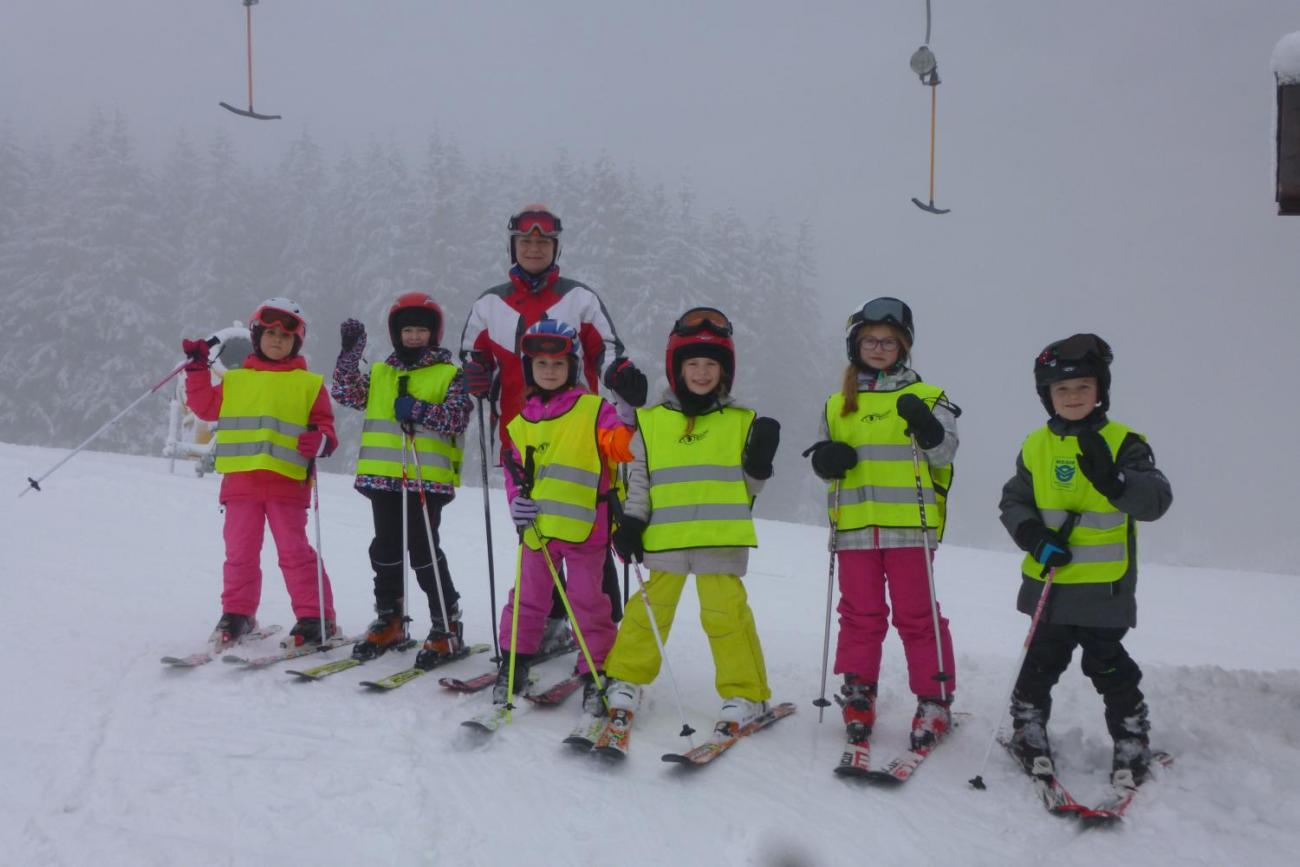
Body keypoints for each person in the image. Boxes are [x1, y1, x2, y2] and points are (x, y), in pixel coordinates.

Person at [460, 204, 647, 638]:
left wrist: (620, 377)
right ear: (513, 246)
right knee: (535, 532)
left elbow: (608, 350)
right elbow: (471, 354)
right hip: (519, 432)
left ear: (554, 246)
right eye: (526, 241)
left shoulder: (579, 298)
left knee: (587, 530)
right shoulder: (491, 302)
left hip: (581, 435)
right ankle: (549, 618)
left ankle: (600, 628)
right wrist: (474, 374)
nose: (533, 248)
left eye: (542, 242)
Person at [999, 333, 1172, 787]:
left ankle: (1131, 736)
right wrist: (1033, 535)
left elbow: (1155, 501)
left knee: (1107, 663)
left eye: (1082, 387)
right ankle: (1027, 726)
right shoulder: (1036, 445)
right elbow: (1014, 501)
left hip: (1103, 588)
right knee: (1040, 661)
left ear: (1101, 391)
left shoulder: (1125, 442)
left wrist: (1116, 481)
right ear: (1047, 396)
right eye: (1061, 390)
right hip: (1050, 584)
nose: (1072, 397)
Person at [603, 307, 782, 730]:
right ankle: (627, 679)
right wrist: (631, 523)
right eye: (692, 364)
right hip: (665, 539)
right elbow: (641, 479)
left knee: (726, 618)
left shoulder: (741, 421)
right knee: (647, 613)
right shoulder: (651, 421)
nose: (701, 373)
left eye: (711, 364)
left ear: (725, 371)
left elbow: (749, 489)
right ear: (677, 369)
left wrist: (758, 465)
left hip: (720, 540)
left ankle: (746, 693)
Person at [804, 297, 960, 752]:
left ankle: (935, 698)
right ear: (855, 345)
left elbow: (946, 453)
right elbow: (825, 458)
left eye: (888, 342)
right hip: (854, 530)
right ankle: (858, 691)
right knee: (860, 616)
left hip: (909, 528)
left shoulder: (929, 397)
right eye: (870, 340)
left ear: (903, 347)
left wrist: (928, 428)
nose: (878, 348)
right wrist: (826, 461)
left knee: (918, 616)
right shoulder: (838, 404)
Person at [493, 318, 635, 719]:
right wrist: (515, 501)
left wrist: (626, 412)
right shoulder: (522, 421)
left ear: (572, 367)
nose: (550, 370)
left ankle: (596, 669)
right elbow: (513, 469)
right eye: (541, 364)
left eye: (558, 363)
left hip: (586, 528)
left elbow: (623, 448)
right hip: (538, 530)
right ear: (529, 369)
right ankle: (515, 661)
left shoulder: (594, 410)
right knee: (527, 599)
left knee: (589, 601)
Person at [181, 298, 339, 649]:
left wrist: (321, 441)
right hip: (241, 486)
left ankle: (317, 617)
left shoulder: (308, 384)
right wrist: (196, 369)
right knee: (240, 553)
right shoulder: (237, 381)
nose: (277, 340)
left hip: (286, 485)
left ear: (296, 343)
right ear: (256, 337)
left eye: (285, 335)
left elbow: (327, 430)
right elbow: (205, 407)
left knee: (294, 554)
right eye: (269, 333)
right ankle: (237, 614)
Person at [331, 292, 474, 667]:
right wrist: (349, 356)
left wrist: (421, 411)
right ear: (397, 334)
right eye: (407, 330)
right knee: (385, 549)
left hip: (427, 480)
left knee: (424, 552)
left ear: (434, 334)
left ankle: (447, 623)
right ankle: (389, 617)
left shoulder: (448, 373)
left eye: (420, 330)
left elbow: (459, 418)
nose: (413, 337)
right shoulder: (382, 372)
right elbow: (345, 392)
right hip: (384, 479)